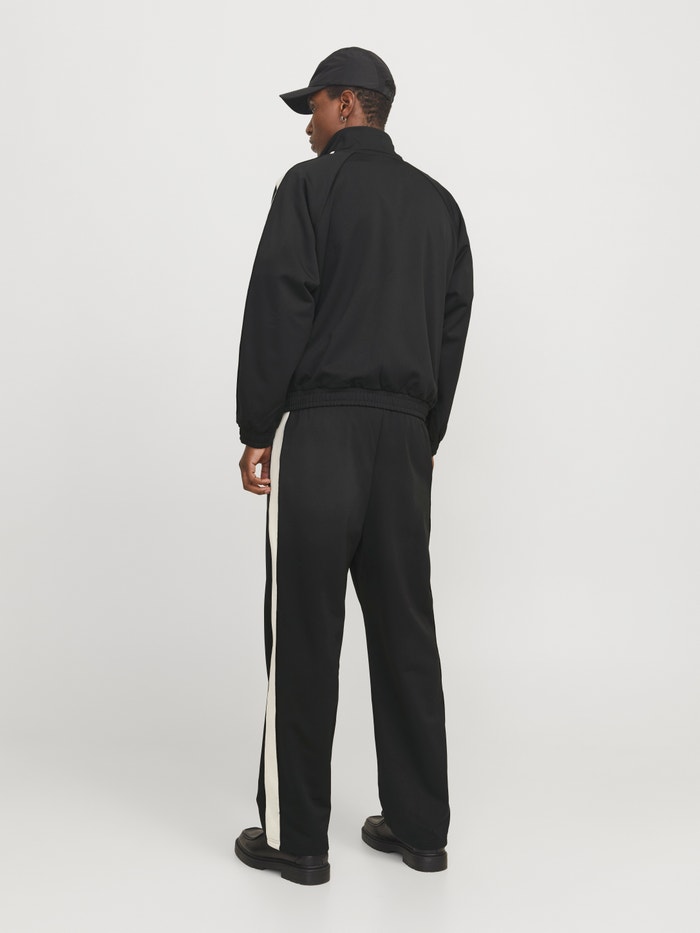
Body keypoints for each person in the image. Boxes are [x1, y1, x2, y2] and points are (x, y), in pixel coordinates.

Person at [234, 47, 474, 886]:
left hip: (323, 429)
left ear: (345, 102)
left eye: (313, 106)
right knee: (406, 629)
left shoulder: (310, 187)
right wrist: (423, 432)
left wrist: (257, 425)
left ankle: (298, 839)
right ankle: (420, 827)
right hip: (405, 440)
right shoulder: (439, 205)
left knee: (304, 627)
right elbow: (451, 328)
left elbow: (280, 301)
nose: (308, 124)